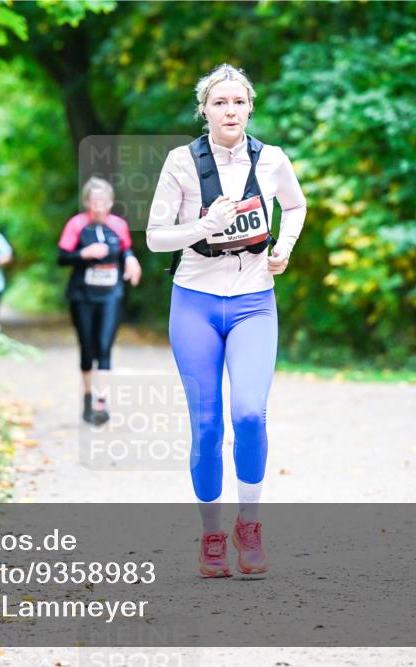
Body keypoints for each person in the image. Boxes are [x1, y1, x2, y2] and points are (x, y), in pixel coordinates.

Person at [146, 64, 307, 578]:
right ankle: (213, 535)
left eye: (238, 102)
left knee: (249, 413)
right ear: (205, 110)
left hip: (254, 301)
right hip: (194, 299)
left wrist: (282, 247)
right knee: (207, 426)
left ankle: (250, 523)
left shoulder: (273, 159)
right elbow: (154, 237)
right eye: (219, 103)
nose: (230, 110)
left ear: (250, 107)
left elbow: (296, 205)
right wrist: (203, 224)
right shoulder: (181, 162)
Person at [58, 177, 142, 424]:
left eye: (104, 202)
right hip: (82, 294)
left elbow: (126, 249)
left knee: (104, 346)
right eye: (94, 202)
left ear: (111, 202)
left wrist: (130, 259)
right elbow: (62, 257)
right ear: (86, 203)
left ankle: (101, 402)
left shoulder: (118, 225)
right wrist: (84, 253)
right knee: (87, 348)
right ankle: (87, 395)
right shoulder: (76, 225)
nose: (99, 207)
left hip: (110, 294)